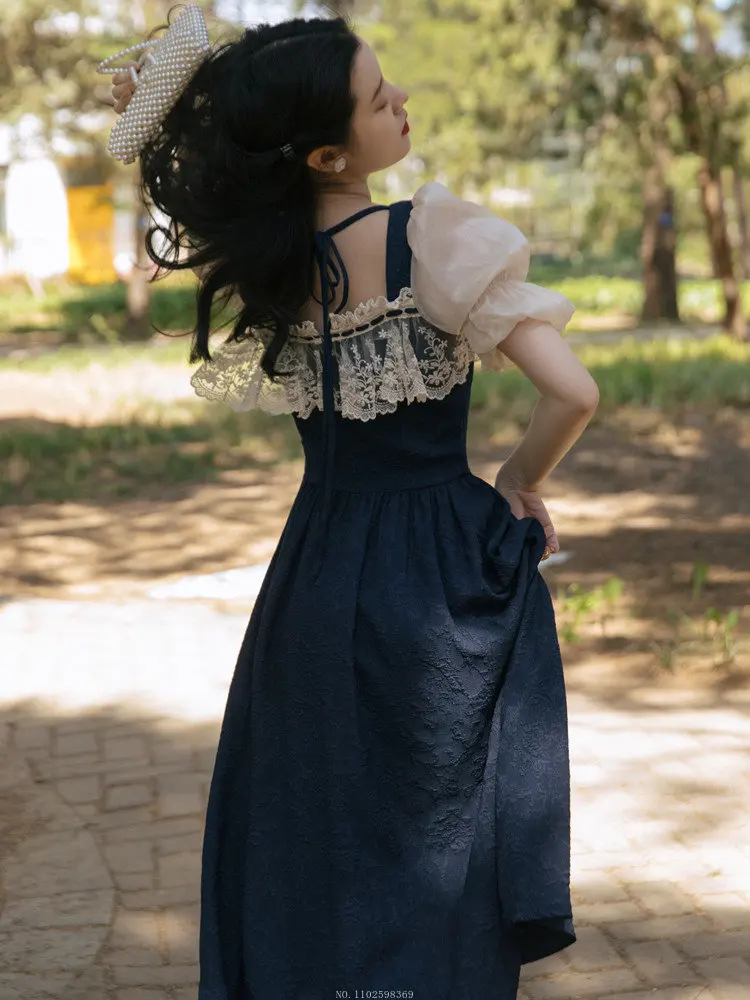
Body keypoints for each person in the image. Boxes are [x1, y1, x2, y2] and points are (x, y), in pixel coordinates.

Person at [108, 9, 598, 999]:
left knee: (321, 823)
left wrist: (173, 108)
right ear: (328, 153)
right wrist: (518, 482)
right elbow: (572, 393)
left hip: (315, 577)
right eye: (380, 99)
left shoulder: (270, 256)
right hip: (438, 577)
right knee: (440, 824)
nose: (402, 100)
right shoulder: (434, 238)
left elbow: (210, 169)